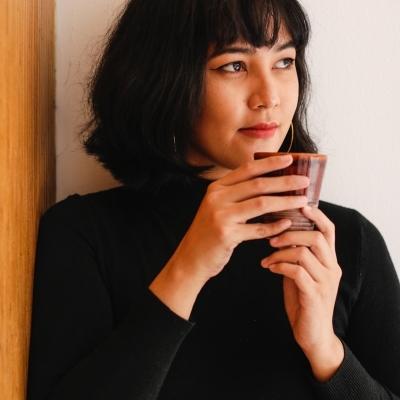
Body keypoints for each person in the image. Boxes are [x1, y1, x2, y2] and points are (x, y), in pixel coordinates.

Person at [27, 0, 400, 399]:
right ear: (165, 79)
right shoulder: (83, 235)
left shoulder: (346, 241)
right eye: (233, 65)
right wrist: (187, 271)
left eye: (285, 61)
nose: (269, 97)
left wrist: (326, 350)